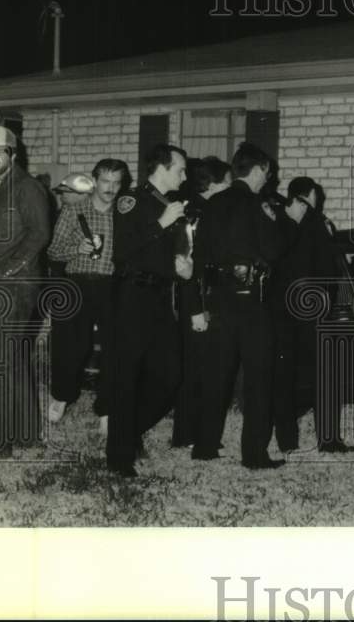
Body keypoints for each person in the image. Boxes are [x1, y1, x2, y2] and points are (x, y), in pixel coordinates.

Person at [191, 143, 286, 470]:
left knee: (217, 374)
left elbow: (199, 256)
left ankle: (204, 446)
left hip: (218, 299)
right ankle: (254, 454)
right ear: (259, 170)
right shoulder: (259, 204)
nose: (267, 179)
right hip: (252, 302)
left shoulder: (213, 203)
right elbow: (273, 252)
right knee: (259, 378)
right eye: (268, 173)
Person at [105, 144, 190, 477]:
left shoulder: (167, 205)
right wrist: (161, 223)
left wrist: (179, 267)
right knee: (127, 377)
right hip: (131, 295)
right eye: (180, 169)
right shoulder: (133, 200)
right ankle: (119, 458)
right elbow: (125, 252)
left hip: (158, 297)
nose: (184, 175)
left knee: (170, 374)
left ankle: (124, 433)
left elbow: (159, 256)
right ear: (163, 168)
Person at [45, 159, 128, 436]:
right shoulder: (73, 210)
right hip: (77, 284)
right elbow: (53, 251)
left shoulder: (124, 213)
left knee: (115, 349)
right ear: (94, 181)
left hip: (112, 286)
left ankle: (107, 409)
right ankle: (61, 396)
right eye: (106, 181)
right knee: (71, 346)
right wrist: (75, 249)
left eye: (117, 182)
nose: (111, 188)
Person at [274, 176, 354, 454]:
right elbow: (328, 268)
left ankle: (286, 441)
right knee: (326, 375)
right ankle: (329, 439)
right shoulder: (318, 223)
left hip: (283, 310)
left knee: (284, 375)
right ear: (311, 195)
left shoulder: (279, 218)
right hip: (314, 309)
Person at [0, 125, 51, 457]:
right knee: (11, 359)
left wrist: (7, 269)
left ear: (13, 154)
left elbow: (39, 234)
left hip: (16, 285)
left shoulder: (27, 187)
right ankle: (25, 435)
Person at [170, 156, 232, 449]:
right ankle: (190, 435)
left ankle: (188, 434)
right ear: (214, 185)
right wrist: (196, 309)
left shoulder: (204, 211)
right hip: (195, 302)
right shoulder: (195, 216)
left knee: (196, 369)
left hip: (200, 300)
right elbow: (187, 268)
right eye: (228, 182)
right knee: (197, 370)